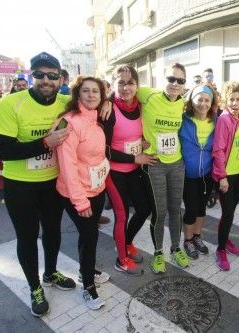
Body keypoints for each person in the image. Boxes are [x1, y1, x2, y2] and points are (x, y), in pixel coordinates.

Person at [0, 52, 76, 317]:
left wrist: (105, 105)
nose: (46, 80)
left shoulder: (65, 101)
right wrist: (45, 143)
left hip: (52, 183)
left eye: (52, 75)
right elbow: (4, 150)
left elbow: (94, 100)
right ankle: (34, 286)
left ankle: (50, 273)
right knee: (27, 237)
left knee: (53, 232)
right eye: (39, 74)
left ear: (60, 78)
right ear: (31, 75)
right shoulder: (10, 104)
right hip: (20, 185)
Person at [55, 76, 108, 310]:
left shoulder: (96, 119)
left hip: (97, 189)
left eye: (95, 91)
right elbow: (67, 166)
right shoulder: (69, 122)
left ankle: (88, 271)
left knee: (90, 235)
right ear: (77, 95)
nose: (91, 95)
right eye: (85, 91)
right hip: (76, 194)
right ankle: (87, 286)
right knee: (89, 237)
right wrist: (80, 201)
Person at [103, 65, 157, 275]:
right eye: (121, 83)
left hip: (134, 170)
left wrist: (141, 142)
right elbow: (104, 150)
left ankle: (127, 242)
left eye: (130, 83)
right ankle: (121, 259)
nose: (126, 88)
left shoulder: (141, 105)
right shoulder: (108, 110)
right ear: (114, 85)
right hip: (114, 172)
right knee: (122, 215)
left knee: (144, 209)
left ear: (137, 85)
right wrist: (136, 156)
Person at [136, 63, 189, 273]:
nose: (175, 84)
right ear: (163, 80)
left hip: (176, 163)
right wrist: (136, 139)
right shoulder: (148, 95)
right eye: (171, 79)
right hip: (154, 164)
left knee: (176, 209)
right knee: (160, 211)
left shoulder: (184, 103)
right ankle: (158, 252)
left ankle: (176, 248)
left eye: (180, 81)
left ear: (184, 85)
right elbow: (122, 94)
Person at [212, 81, 239, 270]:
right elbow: (218, 150)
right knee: (227, 213)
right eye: (231, 99)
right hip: (227, 175)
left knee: (231, 212)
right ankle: (220, 249)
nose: (235, 103)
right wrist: (222, 176)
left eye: (238, 99)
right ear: (226, 101)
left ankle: (225, 240)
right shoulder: (224, 120)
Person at [179, 84, 217, 259]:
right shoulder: (183, 119)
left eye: (207, 100)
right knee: (191, 208)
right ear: (192, 101)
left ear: (212, 102)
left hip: (207, 174)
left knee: (201, 208)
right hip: (188, 174)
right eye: (199, 99)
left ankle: (197, 237)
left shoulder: (216, 121)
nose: (203, 103)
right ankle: (187, 240)